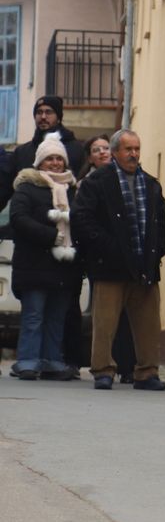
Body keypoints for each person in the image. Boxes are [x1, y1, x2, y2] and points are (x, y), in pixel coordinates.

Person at [74, 129, 165, 390]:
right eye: (128, 149)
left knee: (149, 323)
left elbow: (164, 222)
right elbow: (82, 219)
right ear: (115, 152)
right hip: (110, 266)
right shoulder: (97, 182)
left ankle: (147, 372)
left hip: (144, 266)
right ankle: (103, 370)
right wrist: (107, 248)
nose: (134, 154)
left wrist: (157, 249)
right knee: (104, 323)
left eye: (137, 149)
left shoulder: (151, 184)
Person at [8, 137, 80, 380]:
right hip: (34, 265)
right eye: (50, 158)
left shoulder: (74, 189)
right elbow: (19, 219)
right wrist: (52, 236)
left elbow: (82, 220)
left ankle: (52, 360)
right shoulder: (27, 187)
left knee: (56, 316)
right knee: (34, 315)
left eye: (59, 158)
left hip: (63, 266)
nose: (55, 163)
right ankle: (27, 361)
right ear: (40, 162)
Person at [0, 96, 87, 208]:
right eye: (39, 112)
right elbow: (5, 189)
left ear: (59, 117)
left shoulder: (75, 149)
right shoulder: (22, 152)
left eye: (48, 112)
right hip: (25, 217)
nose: (43, 117)